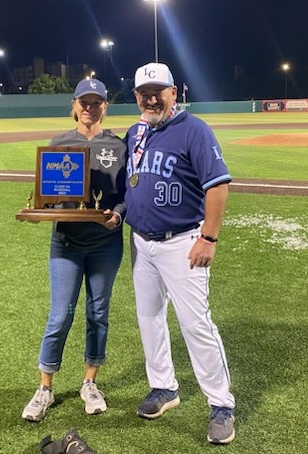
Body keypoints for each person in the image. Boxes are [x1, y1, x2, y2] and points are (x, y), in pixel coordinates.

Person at [124, 62, 236, 445]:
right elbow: (131, 182)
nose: (151, 98)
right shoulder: (135, 131)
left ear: (174, 92)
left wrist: (209, 237)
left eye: (159, 91)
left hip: (182, 242)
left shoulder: (194, 130)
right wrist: (120, 212)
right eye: (144, 92)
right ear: (136, 96)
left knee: (196, 325)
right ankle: (164, 388)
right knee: (149, 318)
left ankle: (221, 405)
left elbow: (217, 186)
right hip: (141, 242)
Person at [22, 78, 126, 422]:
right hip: (66, 243)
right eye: (84, 101)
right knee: (60, 315)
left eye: (97, 102)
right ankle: (45, 388)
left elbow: (127, 194)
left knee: (98, 314)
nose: (90, 108)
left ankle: (89, 382)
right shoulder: (59, 143)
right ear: (74, 105)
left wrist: (119, 214)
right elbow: (51, 194)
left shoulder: (117, 145)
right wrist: (42, 211)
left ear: (105, 107)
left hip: (105, 244)